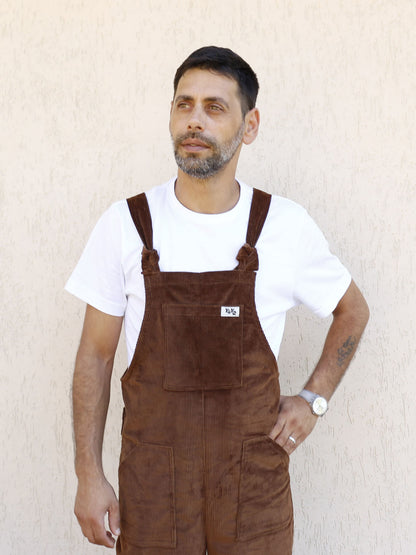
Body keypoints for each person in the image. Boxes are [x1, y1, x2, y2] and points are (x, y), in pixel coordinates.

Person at [66, 46, 369, 554]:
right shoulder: (126, 225)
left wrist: (314, 400)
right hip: (153, 486)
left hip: (252, 487)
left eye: (214, 107)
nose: (195, 121)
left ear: (249, 126)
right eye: (184, 105)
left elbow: (352, 312)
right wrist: (88, 475)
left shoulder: (283, 226)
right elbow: (94, 356)